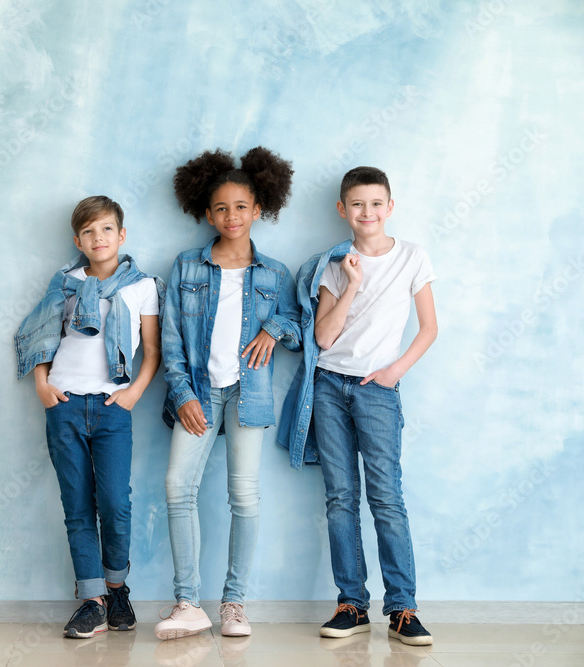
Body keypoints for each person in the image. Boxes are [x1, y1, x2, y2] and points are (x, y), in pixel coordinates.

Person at [281, 166, 437, 646]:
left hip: (377, 391)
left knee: (386, 498)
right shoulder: (334, 263)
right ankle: (352, 603)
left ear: (389, 207)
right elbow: (323, 337)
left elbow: (429, 328)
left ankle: (403, 608)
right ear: (342, 210)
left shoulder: (412, 256)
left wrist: (394, 371)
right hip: (329, 386)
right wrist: (352, 283)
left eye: (375, 204)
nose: (366, 212)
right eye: (357, 204)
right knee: (340, 498)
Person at [155, 148, 300, 640]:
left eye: (241, 206)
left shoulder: (275, 274)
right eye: (221, 208)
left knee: (244, 493)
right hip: (198, 393)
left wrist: (274, 329)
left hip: (248, 394)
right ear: (207, 213)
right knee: (178, 487)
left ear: (259, 209)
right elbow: (170, 339)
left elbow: (300, 326)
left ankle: (234, 604)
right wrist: (182, 395)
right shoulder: (187, 266)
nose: (231, 216)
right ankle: (187, 603)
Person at [15, 195, 164, 638]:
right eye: (88, 231)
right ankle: (92, 600)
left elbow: (152, 350)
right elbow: (40, 335)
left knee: (116, 504)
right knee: (77, 506)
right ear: (78, 240)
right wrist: (42, 384)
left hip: (111, 407)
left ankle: (117, 587)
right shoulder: (65, 282)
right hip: (64, 406)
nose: (98, 238)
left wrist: (133, 393)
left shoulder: (143, 286)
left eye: (106, 229)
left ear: (121, 235)